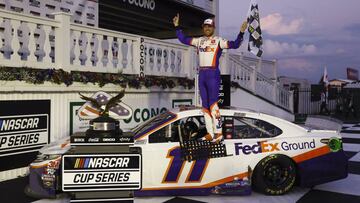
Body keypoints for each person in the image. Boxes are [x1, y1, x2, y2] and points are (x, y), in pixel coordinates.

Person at [173, 13, 247, 142]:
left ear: (213, 28)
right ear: (203, 28)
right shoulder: (198, 40)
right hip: (202, 74)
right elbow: (183, 39)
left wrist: (241, 33)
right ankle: (210, 133)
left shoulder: (219, 40)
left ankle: (219, 133)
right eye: (205, 26)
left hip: (213, 74)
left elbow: (235, 44)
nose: (207, 28)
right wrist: (177, 27)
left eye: (210, 26)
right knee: (205, 106)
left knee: (213, 104)